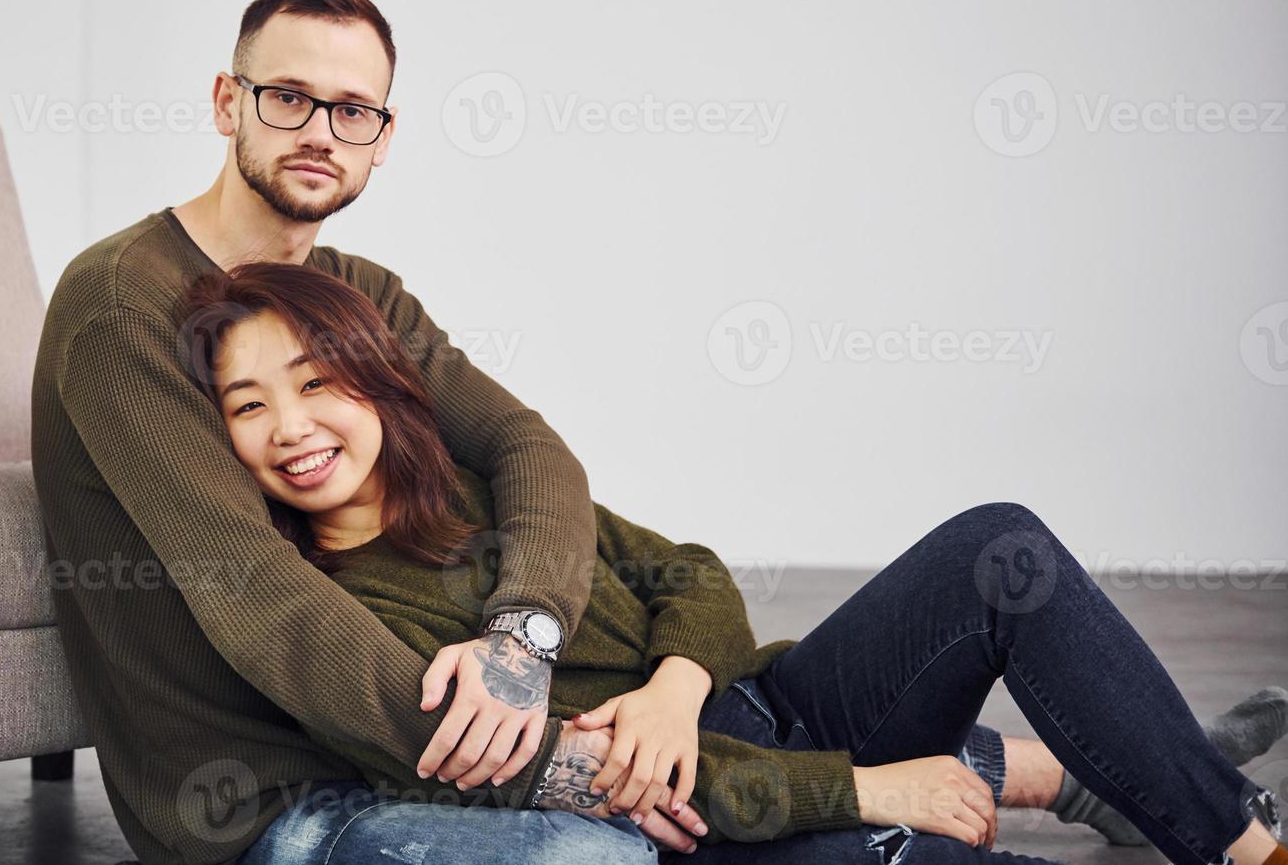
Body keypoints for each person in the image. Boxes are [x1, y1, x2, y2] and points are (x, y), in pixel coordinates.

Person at [177, 258, 1288, 865]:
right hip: (724, 818)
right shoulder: (330, 613)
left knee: (1001, 548)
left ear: (373, 377)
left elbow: (690, 572)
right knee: (928, 849)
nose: (291, 423)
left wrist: (674, 685)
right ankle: (1144, 776)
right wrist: (856, 789)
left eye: (316, 378)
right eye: (248, 402)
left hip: (772, 705)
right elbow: (608, 784)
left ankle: (1232, 834)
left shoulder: (483, 491)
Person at [30, 0, 680, 864]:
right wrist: (558, 766)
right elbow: (256, 589)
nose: (318, 134)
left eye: (352, 111)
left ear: (384, 136)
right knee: (600, 855)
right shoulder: (121, 306)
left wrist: (520, 640)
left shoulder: (357, 292)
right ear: (228, 103)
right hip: (270, 800)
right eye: (288, 98)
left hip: (413, 757)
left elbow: (523, 445)